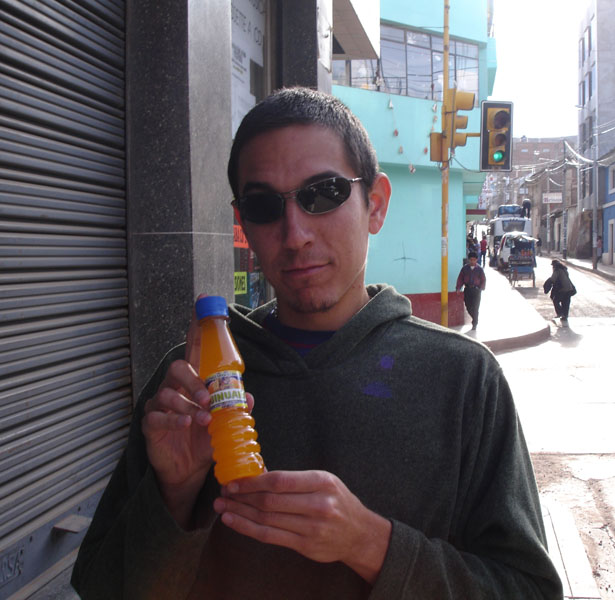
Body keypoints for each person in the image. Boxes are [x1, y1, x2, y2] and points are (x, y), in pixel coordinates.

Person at [71, 88, 562, 599]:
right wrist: (172, 495)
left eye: (324, 193)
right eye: (264, 205)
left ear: (375, 204)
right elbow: (101, 588)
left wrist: (371, 544)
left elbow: (530, 589)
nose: (295, 234)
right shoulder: (193, 387)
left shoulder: (463, 379)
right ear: (243, 223)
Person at [456, 251, 486, 331]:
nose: (472, 261)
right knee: (468, 306)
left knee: (475, 307)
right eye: (471, 260)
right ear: (469, 260)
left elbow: (483, 279)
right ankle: (475, 318)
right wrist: (458, 288)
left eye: (474, 260)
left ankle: (475, 323)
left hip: (476, 290)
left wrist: (481, 288)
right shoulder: (464, 269)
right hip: (467, 289)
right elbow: (460, 278)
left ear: (476, 260)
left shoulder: (479, 269)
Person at [543, 259, 577, 323]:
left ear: (554, 265)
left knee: (555, 300)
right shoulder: (564, 270)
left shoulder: (557, 270)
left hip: (562, 289)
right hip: (569, 289)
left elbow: (553, 279)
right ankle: (565, 316)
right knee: (566, 302)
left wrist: (547, 284)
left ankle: (560, 313)